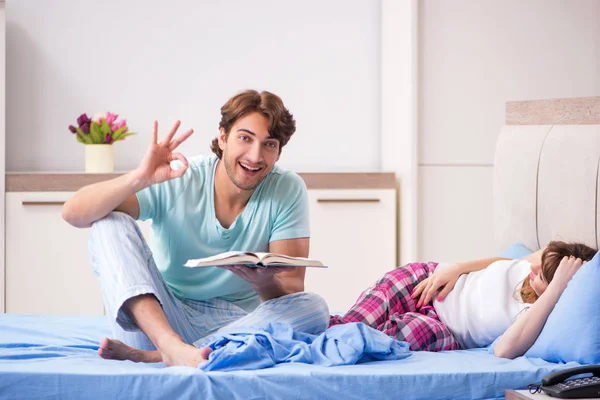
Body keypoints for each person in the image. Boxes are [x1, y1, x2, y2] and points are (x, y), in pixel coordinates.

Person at [62, 90, 329, 368]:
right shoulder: (182, 176)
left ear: (278, 152)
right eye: (245, 138)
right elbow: (73, 213)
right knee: (109, 223)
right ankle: (168, 347)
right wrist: (140, 177)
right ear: (223, 138)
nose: (255, 155)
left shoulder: (286, 188)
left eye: (269, 144)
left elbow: (293, 288)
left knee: (314, 309)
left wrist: (263, 282)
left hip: (239, 324)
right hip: (160, 322)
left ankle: (166, 356)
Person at [329, 241, 596, 358]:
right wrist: (456, 267)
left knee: (360, 341)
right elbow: (505, 261)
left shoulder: (536, 316)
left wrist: (556, 288)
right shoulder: (542, 262)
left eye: (542, 277)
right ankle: (295, 333)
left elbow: (504, 350)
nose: (533, 269)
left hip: (444, 328)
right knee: (348, 323)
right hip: (432, 279)